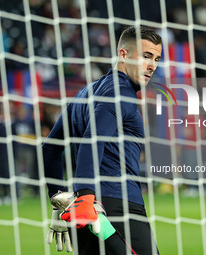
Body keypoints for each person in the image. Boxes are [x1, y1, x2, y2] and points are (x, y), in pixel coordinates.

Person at [42, 26, 162, 254]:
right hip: (117, 206)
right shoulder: (121, 93)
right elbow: (93, 139)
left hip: (81, 210)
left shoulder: (85, 93)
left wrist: (58, 197)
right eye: (146, 56)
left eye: (156, 58)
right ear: (123, 54)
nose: (152, 65)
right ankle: (101, 226)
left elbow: (50, 148)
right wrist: (86, 197)